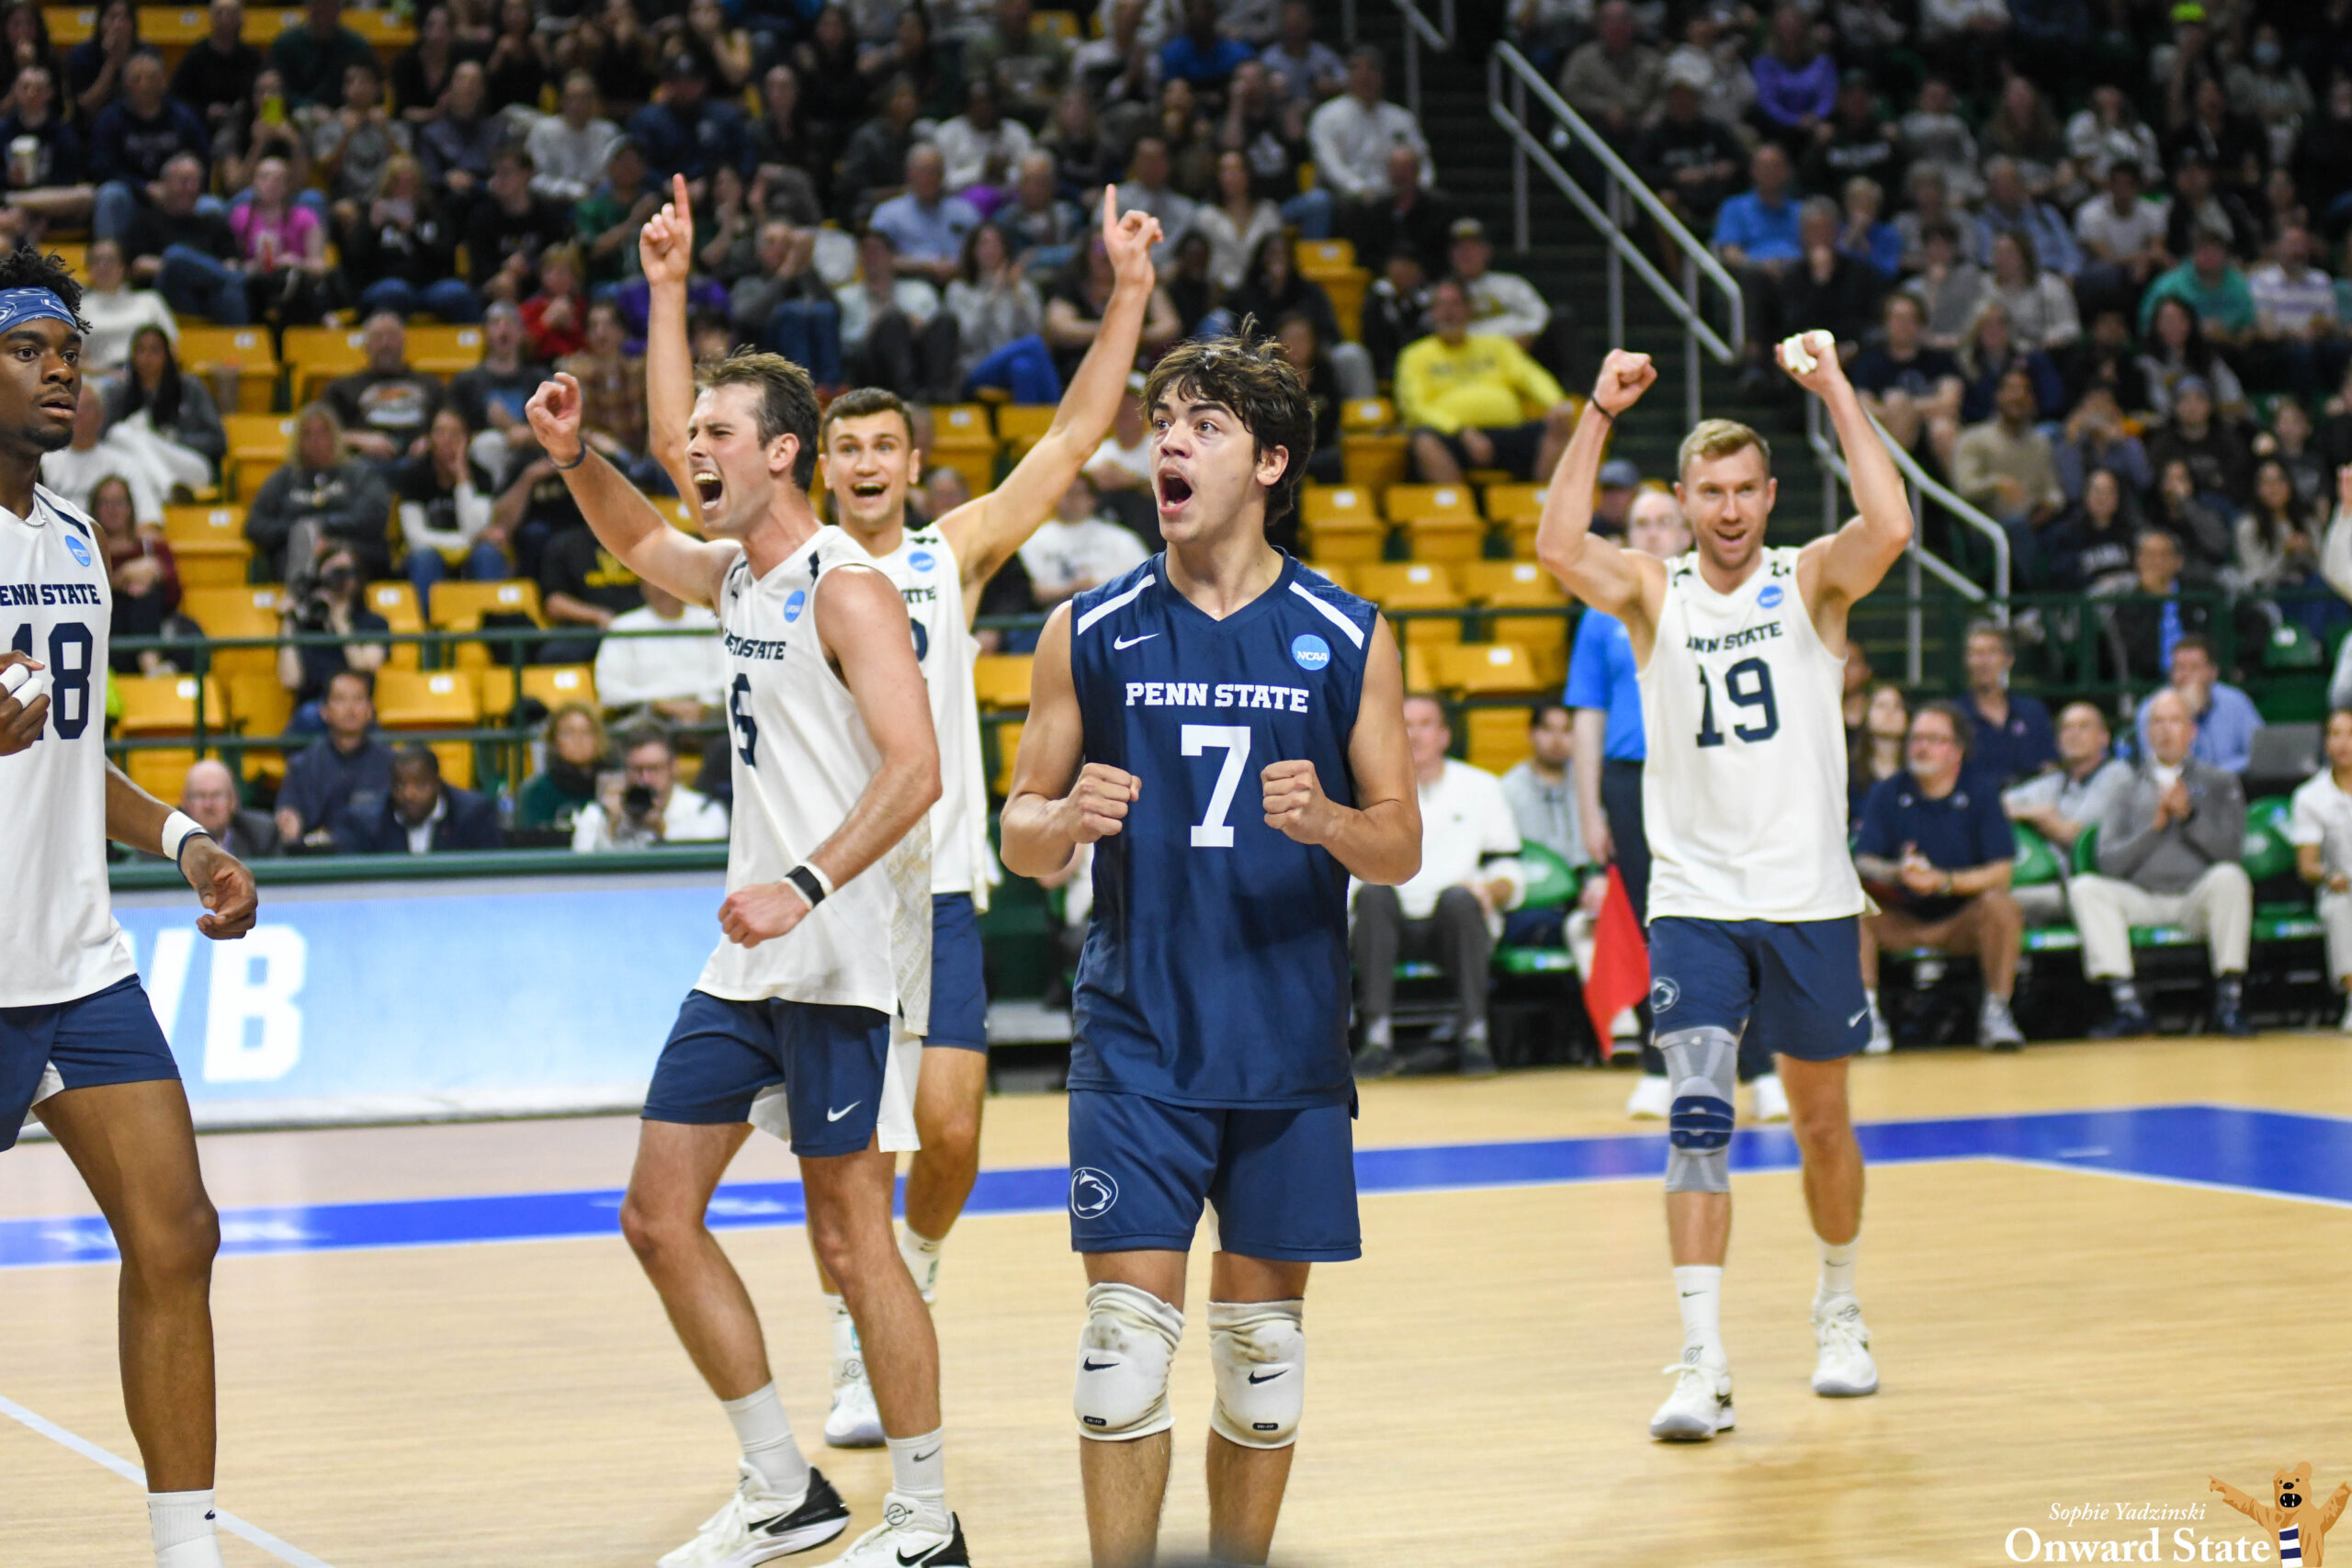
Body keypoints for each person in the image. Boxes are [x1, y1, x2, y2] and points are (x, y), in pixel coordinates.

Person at [646, 177, 1164, 1450]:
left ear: (913, 466)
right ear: (817, 460)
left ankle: (900, 1275)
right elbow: (678, 450)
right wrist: (666, 290)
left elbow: (1074, 433)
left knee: (953, 1132)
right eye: (850, 447)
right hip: (838, 901)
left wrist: (1131, 292)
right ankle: (858, 1327)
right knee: (859, 1166)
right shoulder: (779, 568)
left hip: (936, 882)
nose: (869, 462)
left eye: (888, 447)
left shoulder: (951, 550)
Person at [526, 253, 960, 1568]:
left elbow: (919, 768)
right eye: (693, 431)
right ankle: (783, 1484)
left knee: (851, 1237)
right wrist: (571, 453)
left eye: (715, 433)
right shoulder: (731, 577)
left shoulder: (849, 585)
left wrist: (804, 882)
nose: (693, 449)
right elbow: (635, 535)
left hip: (833, 955)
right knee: (657, 1212)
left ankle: (930, 1518)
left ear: (784, 452)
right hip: (746, 964)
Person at [999, 313, 1417, 1568]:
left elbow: (1398, 844)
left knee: (1264, 1367)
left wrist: (1335, 818)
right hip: (1138, 1037)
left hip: (1286, 1044)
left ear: (1271, 462)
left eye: (1205, 426)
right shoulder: (1089, 627)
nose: (1168, 444)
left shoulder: (1349, 632)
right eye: (1162, 424)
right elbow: (1018, 829)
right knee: (1121, 1353)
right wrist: (1060, 817)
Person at [1534, 335, 1914, 1442]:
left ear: (1769, 494)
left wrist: (1835, 387)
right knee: (1698, 1115)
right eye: (1711, 491)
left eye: (1747, 489)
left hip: (1808, 898)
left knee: (1821, 1123)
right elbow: (1559, 542)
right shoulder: (1654, 594)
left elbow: (1890, 525)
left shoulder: (1811, 582)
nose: (1730, 507)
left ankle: (1837, 1306)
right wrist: (1596, 413)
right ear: (1684, 500)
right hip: (1696, 899)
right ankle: (1700, 1359)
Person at [0, 246, 259, 1568]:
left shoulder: (75, 532)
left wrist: (182, 836)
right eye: (30, 346)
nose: (61, 368)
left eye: (71, 349)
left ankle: (184, 1549)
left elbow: (69, 749)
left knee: (181, 1232)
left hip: (78, 965)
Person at [1567, 486, 1786, 1113]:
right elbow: (1588, 714)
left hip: (1712, 773)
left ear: (1687, 530)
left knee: (1734, 916)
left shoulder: (1718, 600)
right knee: (1647, 925)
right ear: (1625, 532)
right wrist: (1589, 810)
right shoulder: (1600, 610)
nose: (1656, 532)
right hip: (1630, 779)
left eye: (1666, 521)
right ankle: (1660, 1066)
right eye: (1643, 523)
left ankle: (1758, 1065)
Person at [1348, 692, 1521, 1076]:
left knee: (1461, 901)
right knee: (1373, 896)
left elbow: (1507, 866)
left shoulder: (1481, 786)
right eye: (1405, 725)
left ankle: (1475, 1037)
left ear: (1444, 735)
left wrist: (1493, 890)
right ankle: (1376, 1040)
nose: (1415, 736)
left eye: (1425, 725)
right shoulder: (1365, 789)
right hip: (1386, 918)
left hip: (1454, 919)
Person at [2068, 686, 2256, 1038]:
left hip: (2195, 900)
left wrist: (2189, 818)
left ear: (2192, 731)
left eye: (2174, 720)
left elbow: (2231, 853)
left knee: (2231, 878)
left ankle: (2229, 1002)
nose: (2165, 730)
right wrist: (2152, 830)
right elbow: (2108, 863)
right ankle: (2127, 1006)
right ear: (2147, 732)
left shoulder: (2219, 782)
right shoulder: (2124, 786)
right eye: (2157, 722)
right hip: (2143, 898)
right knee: (2086, 887)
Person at [1852, 702, 2027, 1051]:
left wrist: (1943, 881)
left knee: (2001, 906)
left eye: (1934, 739)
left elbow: (2001, 873)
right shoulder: (1887, 793)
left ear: (1957, 750)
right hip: (1900, 916)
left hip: (1960, 919)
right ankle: (1866, 1015)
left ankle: (1996, 1013)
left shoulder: (1981, 791)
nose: (1921, 747)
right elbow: (1863, 861)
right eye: (1916, 738)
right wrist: (1897, 872)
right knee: (1852, 906)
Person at [1396, 276, 1576, 487]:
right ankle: (1456, 510)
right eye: (1441, 305)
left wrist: (1555, 403)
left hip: (1506, 433)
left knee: (1560, 425)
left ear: (1469, 310)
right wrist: (1461, 431)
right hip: (1452, 437)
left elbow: (1531, 376)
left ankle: (1542, 503)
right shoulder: (1414, 356)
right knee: (1424, 440)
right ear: (1433, 313)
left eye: (1456, 304)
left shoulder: (1497, 345)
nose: (1449, 312)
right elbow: (1415, 408)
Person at [2003, 701, 2132, 924]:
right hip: (2051, 883)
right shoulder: (2055, 782)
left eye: (2084, 727)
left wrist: (2040, 817)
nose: (2075, 734)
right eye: (2067, 728)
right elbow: (1995, 806)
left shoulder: (2117, 775)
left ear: (2103, 737)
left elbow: (2074, 835)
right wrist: (2039, 813)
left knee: (1998, 902)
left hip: (2095, 886)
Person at [243, 403, 392, 582]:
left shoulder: (359, 473)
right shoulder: (283, 479)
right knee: (297, 552)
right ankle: (305, 598)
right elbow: (255, 526)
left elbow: (372, 517)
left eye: (324, 433)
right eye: (307, 434)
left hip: (353, 549)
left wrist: (323, 528)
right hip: (295, 553)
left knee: (342, 559)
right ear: (297, 441)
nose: (316, 441)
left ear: (336, 437)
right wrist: (301, 532)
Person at [272, 668, 390, 846]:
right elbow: (288, 814)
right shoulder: (302, 765)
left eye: (358, 699)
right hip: (316, 859)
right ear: (324, 711)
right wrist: (288, 820)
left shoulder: (391, 763)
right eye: (340, 700)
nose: (350, 709)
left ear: (370, 710)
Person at [2287, 707, 2352, 1032]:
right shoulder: (2310, 797)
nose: (2344, 743)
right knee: (2341, 909)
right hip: (2341, 887)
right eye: (2335, 734)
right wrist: (2330, 876)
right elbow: (2308, 865)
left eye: (2351, 734)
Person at [570, 721, 729, 850]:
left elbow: (702, 872)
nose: (645, 779)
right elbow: (581, 877)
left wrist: (662, 831)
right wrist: (610, 829)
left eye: (654, 769)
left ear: (673, 768)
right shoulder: (597, 815)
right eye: (637, 770)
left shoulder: (705, 812)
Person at [332, 741, 502, 853]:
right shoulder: (365, 822)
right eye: (400, 786)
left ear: (438, 784)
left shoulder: (474, 815)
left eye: (420, 785)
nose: (409, 794)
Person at [595, 580, 727, 724]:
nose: (664, 590)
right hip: (649, 716)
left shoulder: (709, 622)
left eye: (669, 584)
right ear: (643, 588)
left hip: (709, 711)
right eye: (656, 584)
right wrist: (659, 704)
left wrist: (703, 704)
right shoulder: (623, 627)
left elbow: (728, 673)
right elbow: (609, 689)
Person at [2132, 635, 2264, 774]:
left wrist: (2218, 773)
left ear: (2212, 672)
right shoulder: (2151, 709)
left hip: (2231, 786)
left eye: (2194, 668)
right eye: (2180, 668)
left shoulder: (2236, 702)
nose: (2186, 676)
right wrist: (2187, 713)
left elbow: (2261, 753)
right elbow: (2159, 765)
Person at [1019, 472, 1151, 605]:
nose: (1071, 499)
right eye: (1066, 492)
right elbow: (1034, 592)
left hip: (1115, 610)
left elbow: (1144, 580)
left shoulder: (1121, 537)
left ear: (1092, 499)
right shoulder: (1033, 540)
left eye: (1078, 493)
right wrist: (1072, 589)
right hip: (1054, 614)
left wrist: (1098, 588)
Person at [1953, 621, 2055, 785]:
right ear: (1966, 660)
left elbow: (2050, 769)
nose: (1984, 662)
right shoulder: (1953, 716)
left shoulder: (2033, 712)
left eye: (1992, 652)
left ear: (2008, 660)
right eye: (1976, 653)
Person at [177, 757, 279, 860]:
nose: (208, 805)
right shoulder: (164, 842)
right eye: (200, 796)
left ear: (233, 800)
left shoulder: (261, 835)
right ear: (184, 801)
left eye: (217, 795)